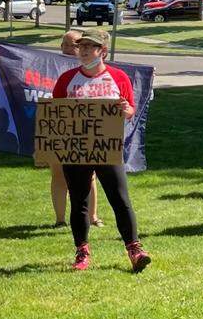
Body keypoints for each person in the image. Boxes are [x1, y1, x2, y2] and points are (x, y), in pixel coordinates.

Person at [53, 28, 150, 272]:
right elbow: (54, 114)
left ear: (102, 51)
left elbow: (130, 112)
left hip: (108, 148)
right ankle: (82, 251)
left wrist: (125, 109)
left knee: (120, 199)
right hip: (76, 149)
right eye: (81, 47)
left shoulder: (118, 77)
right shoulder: (67, 79)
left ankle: (134, 249)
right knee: (79, 200)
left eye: (90, 47)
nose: (84, 51)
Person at [50, 29, 101, 228]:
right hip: (64, 131)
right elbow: (55, 103)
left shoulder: (95, 69)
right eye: (68, 45)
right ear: (61, 47)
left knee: (91, 175)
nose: (73, 49)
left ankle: (93, 217)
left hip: (90, 131)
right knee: (59, 173)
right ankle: (60, 220)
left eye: (76, 45)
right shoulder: (55, 69)